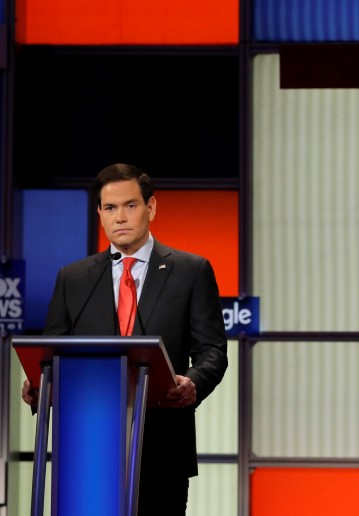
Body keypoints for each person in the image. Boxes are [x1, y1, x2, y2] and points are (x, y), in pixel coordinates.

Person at [21, 163, 228, 515]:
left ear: (151, 207)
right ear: (100, 213)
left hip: (161, 446)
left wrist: (193, 382)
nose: (120, 217)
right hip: (88, 447)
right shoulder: (73, 279)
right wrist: (40, 383)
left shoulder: (191, 271)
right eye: (110, 208)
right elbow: (51, 351)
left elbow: (212, 350)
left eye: (130, 205)